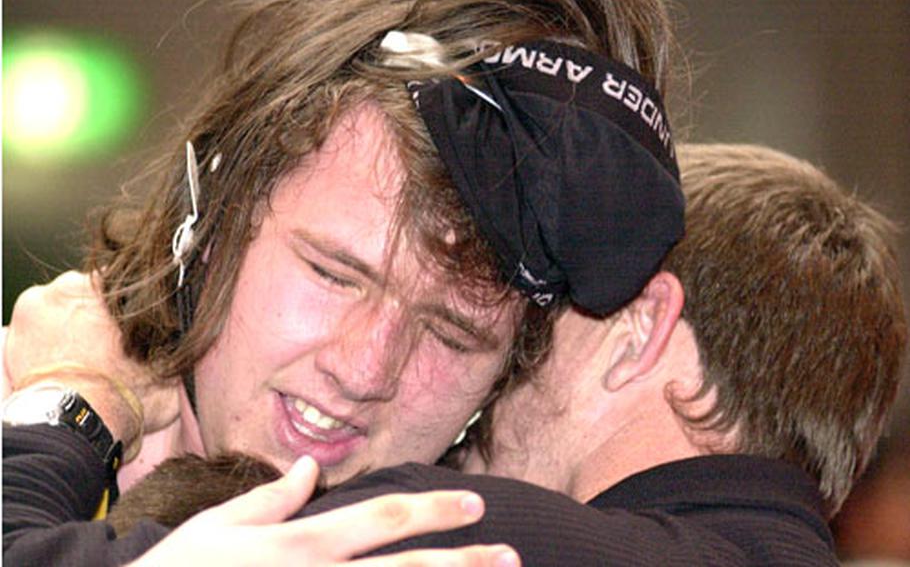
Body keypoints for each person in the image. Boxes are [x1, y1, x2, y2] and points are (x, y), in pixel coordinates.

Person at [6, 143, 904, 566]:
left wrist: (66, 399)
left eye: (541, 311)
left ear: (638, 331)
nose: (496, 371)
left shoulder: (463, 535)